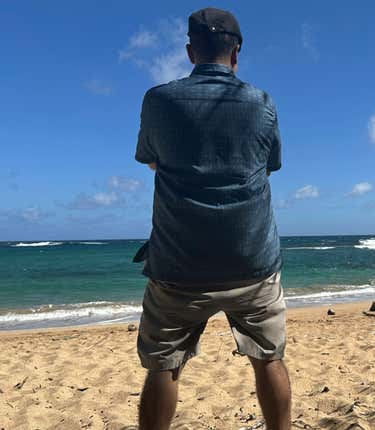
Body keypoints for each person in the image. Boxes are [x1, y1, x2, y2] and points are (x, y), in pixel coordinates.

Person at [132, 7, 291, 430]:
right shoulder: (262, 103)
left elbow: (151, 161)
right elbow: (269, 165)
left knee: (163, 367)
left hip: (178, 267)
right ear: (236, 52)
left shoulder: (159, 100)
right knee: (269, 359)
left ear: (190, 51)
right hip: (252, 263)